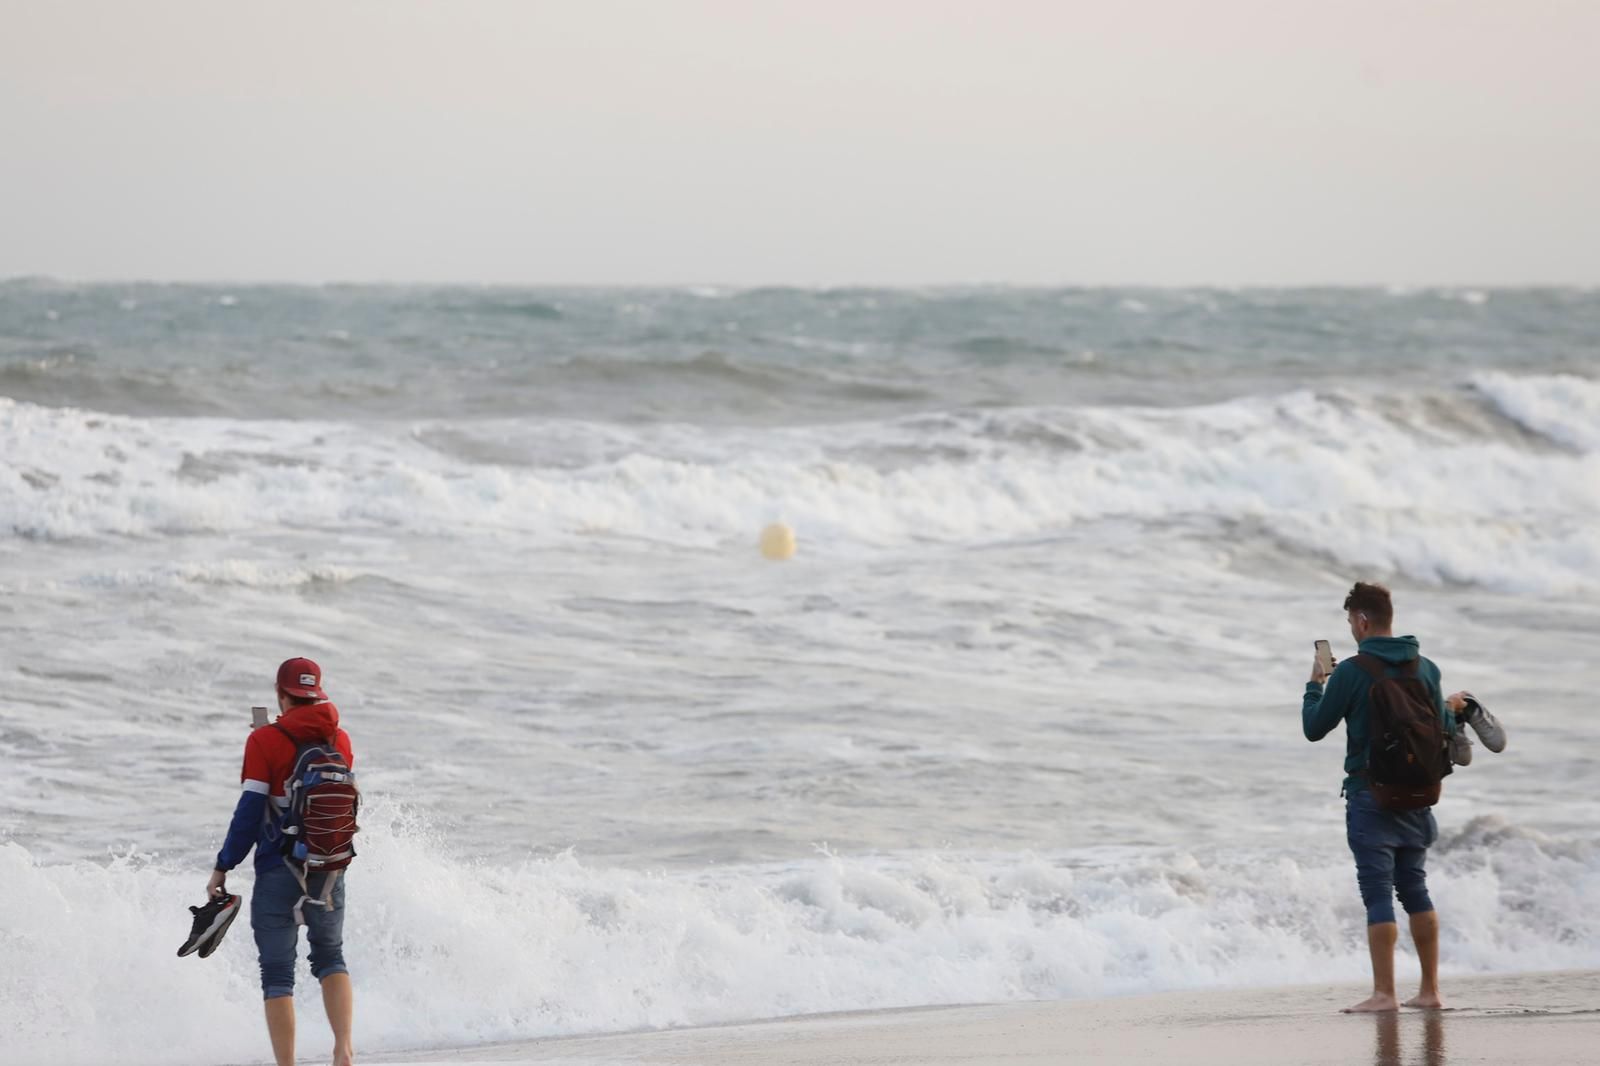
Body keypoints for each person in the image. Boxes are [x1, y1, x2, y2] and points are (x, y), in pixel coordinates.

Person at [1302, 582, 1456, 1014]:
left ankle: (1384, 994)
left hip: (1372, 795)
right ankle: (1430, 991)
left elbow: (1315, 728)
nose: (1351, 629)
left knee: (1377, 892)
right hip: (1420, 794)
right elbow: (1442, 724)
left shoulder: (1351, 671)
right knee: (1415, 888)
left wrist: (1315, 684)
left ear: (1363, 620)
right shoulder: (1425, 667)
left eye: (1351, 621)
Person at [209, 657, 356, 1066]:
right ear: (317, 693)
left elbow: (250, 812)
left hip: (278, 868)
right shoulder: (340, 740)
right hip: (330, 866)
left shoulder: (264, 741)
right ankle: (343, 1049)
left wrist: (224, 864)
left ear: (281, 694)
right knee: (331, 956)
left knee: (277, 973)